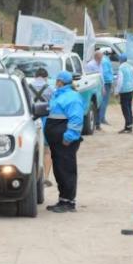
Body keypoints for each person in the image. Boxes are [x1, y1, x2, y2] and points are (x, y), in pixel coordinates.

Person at [44, 70, 83, 213]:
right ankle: (63, 199)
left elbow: (76, 119)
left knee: (67, 170)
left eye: (57, 80)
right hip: (56, 141)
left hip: (65, 141)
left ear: (61, 81)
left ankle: (69, 202)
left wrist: (69, 137)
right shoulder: (58, 95)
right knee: (59, 170)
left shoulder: (72, 97)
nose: (55, 83)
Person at [29, 67, 55, 186]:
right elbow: (53, 106)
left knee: (31, 150)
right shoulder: (50, 89)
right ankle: (46, 177)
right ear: (46, 77)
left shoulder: (27, 87)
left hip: (31, 121)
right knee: (46, 151)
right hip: (45, 120)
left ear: (35, 76)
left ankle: (32, 177)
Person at [116, 53, 133, 134]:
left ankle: (127, 127)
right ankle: (130, 125)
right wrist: (132, 87)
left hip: (124, 91)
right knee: (129, 108)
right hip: (130, 90)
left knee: (125, 109)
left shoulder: (121, 68)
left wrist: (116, 91)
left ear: (120, 60)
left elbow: (119, 81)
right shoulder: (130, 66)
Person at [99, 48, 114, 125]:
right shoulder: (105, 61)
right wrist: (111, 81)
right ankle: (101, 118)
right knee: (104, 101)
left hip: (106, 82)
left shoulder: (104, 60)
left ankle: (101, 117)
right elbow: (105, 74)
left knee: (103, 101)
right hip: (106, 83)